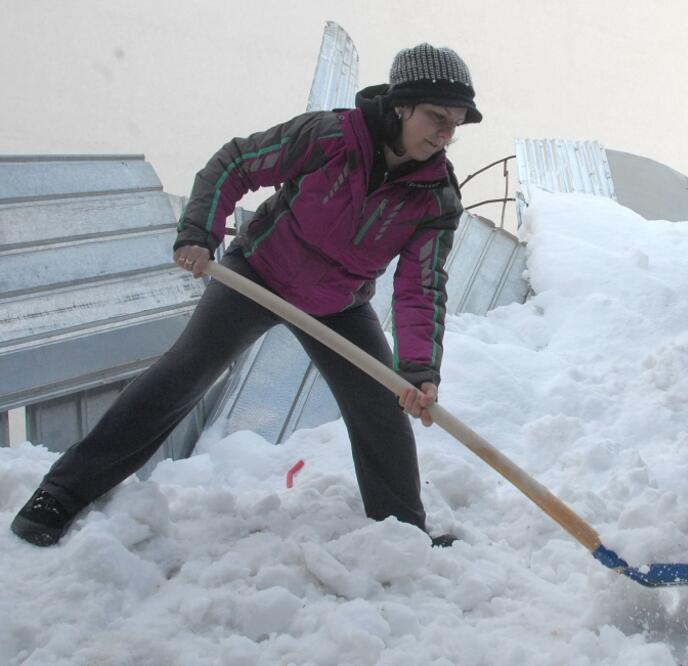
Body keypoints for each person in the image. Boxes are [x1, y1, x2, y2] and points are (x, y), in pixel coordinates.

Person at [11, 43, 482, 548]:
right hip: (258, 275)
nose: (446, 135)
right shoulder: (330, 137)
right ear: (401, 105)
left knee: (383, 406)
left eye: (455, 124)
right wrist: (199, 231)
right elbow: (237, 162)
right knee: (181, 376)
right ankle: (59, 493)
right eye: (437, 118)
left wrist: (418, 373)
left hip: (338, 304)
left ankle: (404, 538)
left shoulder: (436, 197)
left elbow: (421, 286)